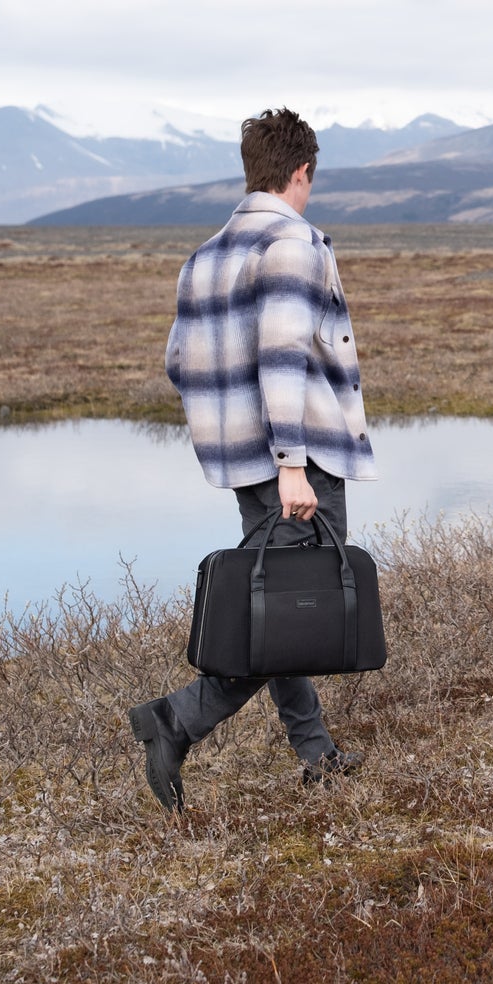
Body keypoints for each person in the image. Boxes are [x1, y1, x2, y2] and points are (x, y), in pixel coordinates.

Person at [127, 107, 376, 811]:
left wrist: (231, 430)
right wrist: (291, 461)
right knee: (305, 605)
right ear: (302, 172)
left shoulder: (205, 254)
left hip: (244, 460)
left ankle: (316, 752)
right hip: (296, 459)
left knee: (281, 600)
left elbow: (180, 361)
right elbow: (282, 355)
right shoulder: (294, 244)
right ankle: (175, 720)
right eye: (309, 180)